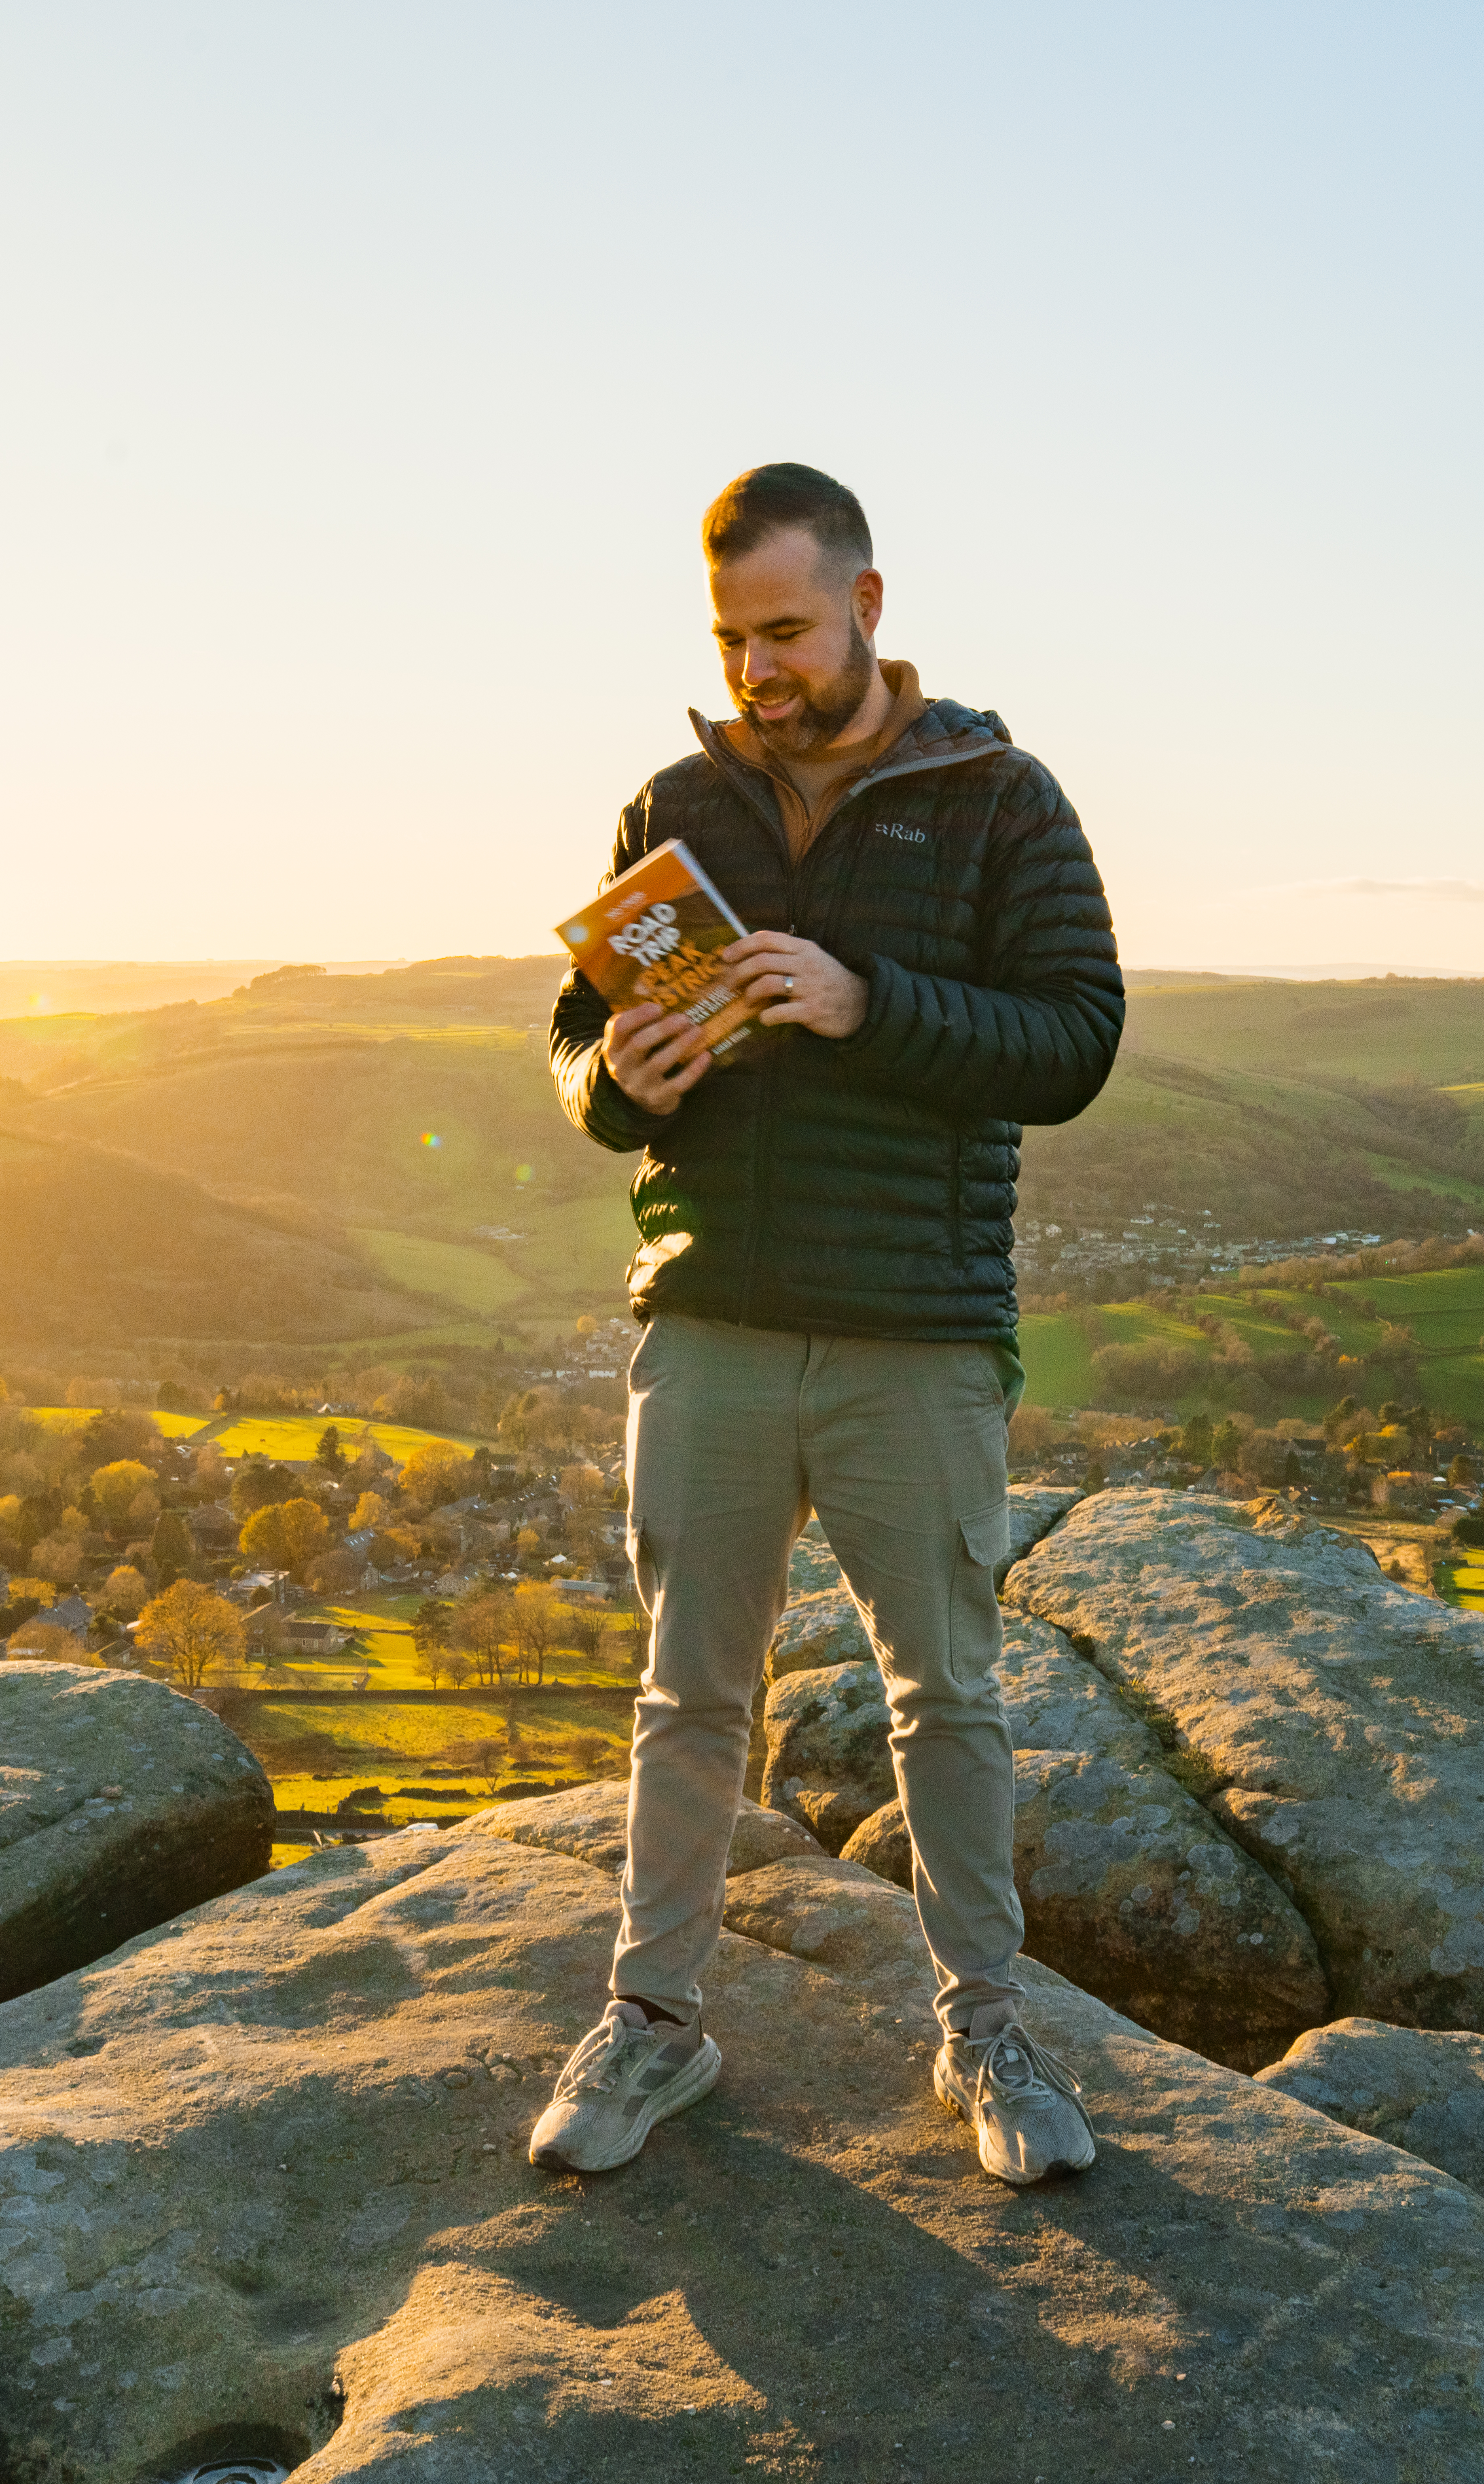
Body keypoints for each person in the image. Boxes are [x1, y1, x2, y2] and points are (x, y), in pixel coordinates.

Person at [527, 462, 1125, 2186]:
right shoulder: (672, 800)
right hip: (709, 1307)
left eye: (782, 630)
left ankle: (985, 2037)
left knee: (945, 1697)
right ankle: (651, 2030)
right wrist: (610, 1084)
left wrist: (869, 1006)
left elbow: (1072, 1042)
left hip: (913, 1328)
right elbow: (579, 1045)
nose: (755, 670)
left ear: (867, 606)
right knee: (684, 1695)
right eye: (729, 638)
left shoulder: (1000, 798)